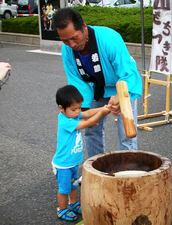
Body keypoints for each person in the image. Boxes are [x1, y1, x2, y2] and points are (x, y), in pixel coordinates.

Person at [52, 8, 142, 158]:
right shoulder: (67, 50)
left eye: (74, 38)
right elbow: (76, 80)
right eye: (65, 41)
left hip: (122, 86)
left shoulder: (109, 39)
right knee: (91, 130)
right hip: (95, 89)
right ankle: (96, 168)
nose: (71, 44)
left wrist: (120, 95)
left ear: (84, 27)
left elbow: (127, 72)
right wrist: (83, 109)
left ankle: (129, 171)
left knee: (127, 131)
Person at [52, 85, 110, 221]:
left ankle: (72, 204)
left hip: (73, 162)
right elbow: (89, 121)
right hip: (63, 164)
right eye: (74, 109)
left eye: (79, 107)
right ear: (61, 108)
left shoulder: (72, 115)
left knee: (73, 185)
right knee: (64, 189)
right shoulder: (65, 121)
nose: (77, 111)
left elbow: (88, 113)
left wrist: (103, 108)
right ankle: (62, 209)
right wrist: (102, 113)